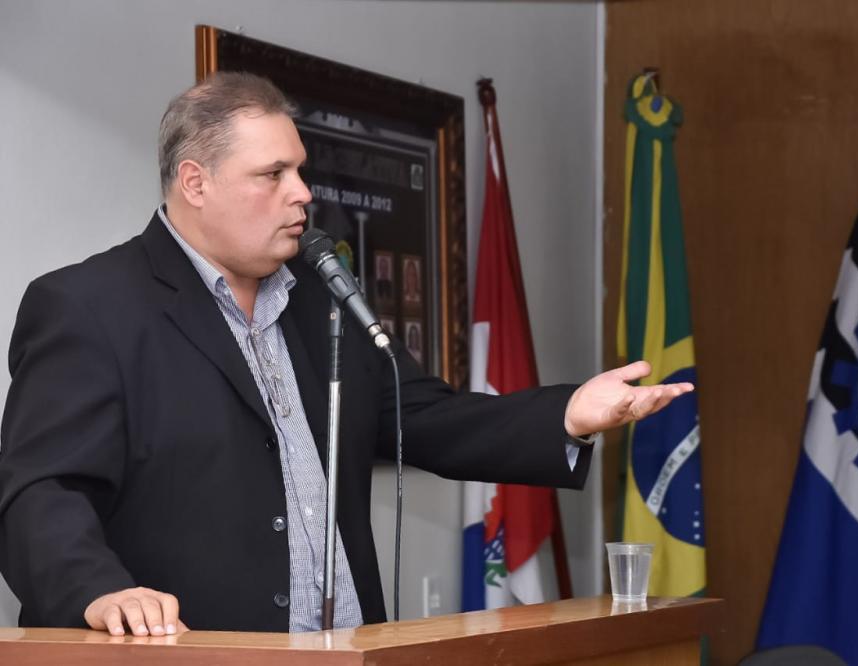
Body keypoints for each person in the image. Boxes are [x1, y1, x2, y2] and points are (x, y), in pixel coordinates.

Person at [0, 73, 693, 638]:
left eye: (300, 171)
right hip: (191, 656)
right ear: (194, 182)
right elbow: (42, 491)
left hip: (346, 651)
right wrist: (98, 591)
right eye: (272, 174)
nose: (302, 194)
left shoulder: (318, 299)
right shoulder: (90, 306)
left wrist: (567, 414)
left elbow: (426, 417)